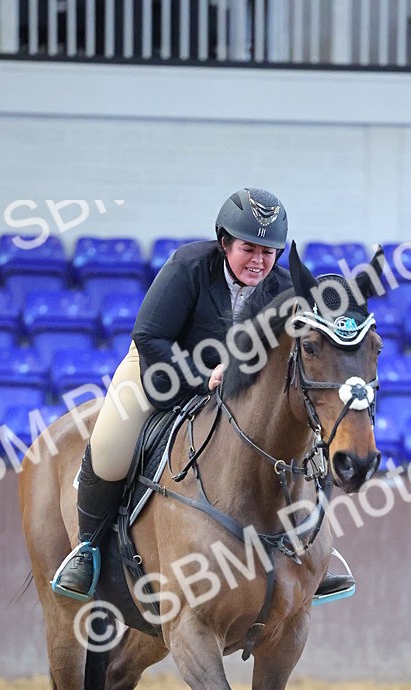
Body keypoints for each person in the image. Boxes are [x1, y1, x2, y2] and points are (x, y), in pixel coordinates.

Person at [51, 187, 355, 604]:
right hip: (160, 370)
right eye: (249, 248)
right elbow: (149, 336)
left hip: (235, 393)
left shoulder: (284, 291)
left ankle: (309, 554)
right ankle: (87, 550)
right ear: (225, 241)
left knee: (313, 441)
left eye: (269, 252)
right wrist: (200, 375)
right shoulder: (188, 267)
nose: (259, 261)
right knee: (109, 445)